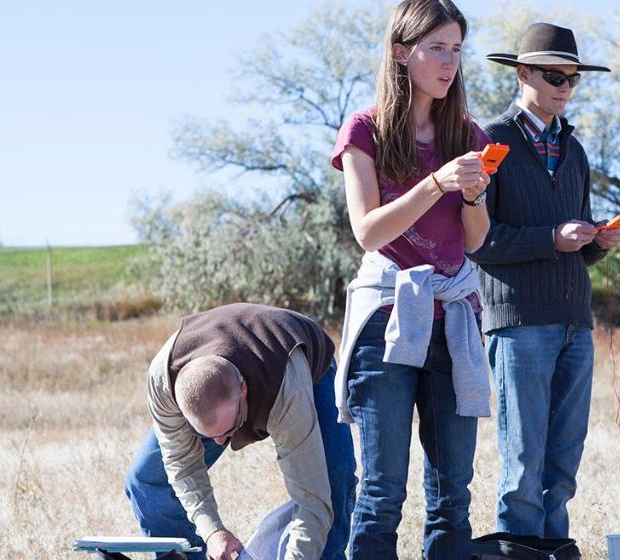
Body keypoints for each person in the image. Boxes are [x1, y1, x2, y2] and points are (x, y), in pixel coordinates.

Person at [329, 1, 493, 558]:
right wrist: (437, 184)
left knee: (453, 496)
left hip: (455, 320)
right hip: (388, 317)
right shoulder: (364, 129)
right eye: (437, 48)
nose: (450, 63)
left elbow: (473, 240)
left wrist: (471, 194)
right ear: (402, 52)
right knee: (381, 492)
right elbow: (368, 231)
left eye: (456, 50)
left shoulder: (468, 132)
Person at [467, 22, 620, 540]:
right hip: (517, 324)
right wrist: (552, 237)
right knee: (522, 458)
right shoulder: (489, 141)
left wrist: (597, 243)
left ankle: (555, 547)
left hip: (575, 324)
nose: (564, 87)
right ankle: (518, 550)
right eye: (554, 76)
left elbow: (574, 252)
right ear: (523, 74)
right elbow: (478, 242)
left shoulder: (575, 151)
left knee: (562, 458)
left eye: (572, 79)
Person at [123, 303, 356, 560]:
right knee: (148, 481)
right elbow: (182, 465)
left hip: (304, 366)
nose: (221, 442)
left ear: (243, 391)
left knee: (334, 480)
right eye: (207, 434)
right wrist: (212, 531)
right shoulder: (163, 379)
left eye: (228, 430)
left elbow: (312, 500)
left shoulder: (286, 390)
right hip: (223, 383)